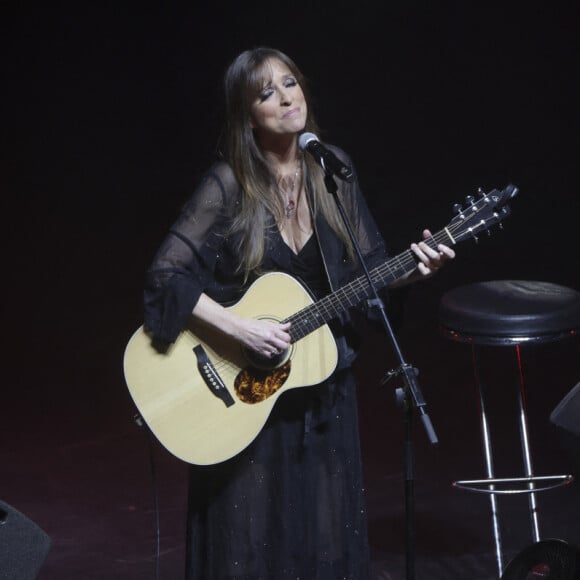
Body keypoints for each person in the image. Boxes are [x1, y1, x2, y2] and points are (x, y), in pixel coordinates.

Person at [143, 47, 455, 580]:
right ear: (248, 114)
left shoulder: (331, 169)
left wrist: (414, 270)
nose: (287, 98)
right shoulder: (228, 184)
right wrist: (240, 326)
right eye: (267, 93)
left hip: (319, 383)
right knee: (248, 540)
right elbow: (165, 278)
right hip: (244, 390)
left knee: (325, 535)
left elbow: (369, 269)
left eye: (291, 84)